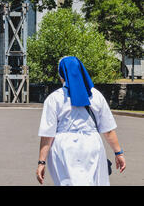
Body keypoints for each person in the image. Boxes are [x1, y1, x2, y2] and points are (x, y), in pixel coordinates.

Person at [37, 56, 126, 186]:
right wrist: (118, 153)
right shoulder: (95, 95)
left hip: (64, 147)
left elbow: (47, 134)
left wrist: (41, 162)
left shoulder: (54, 98)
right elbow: (108, 130)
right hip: (92, 144)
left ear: (61, 74)